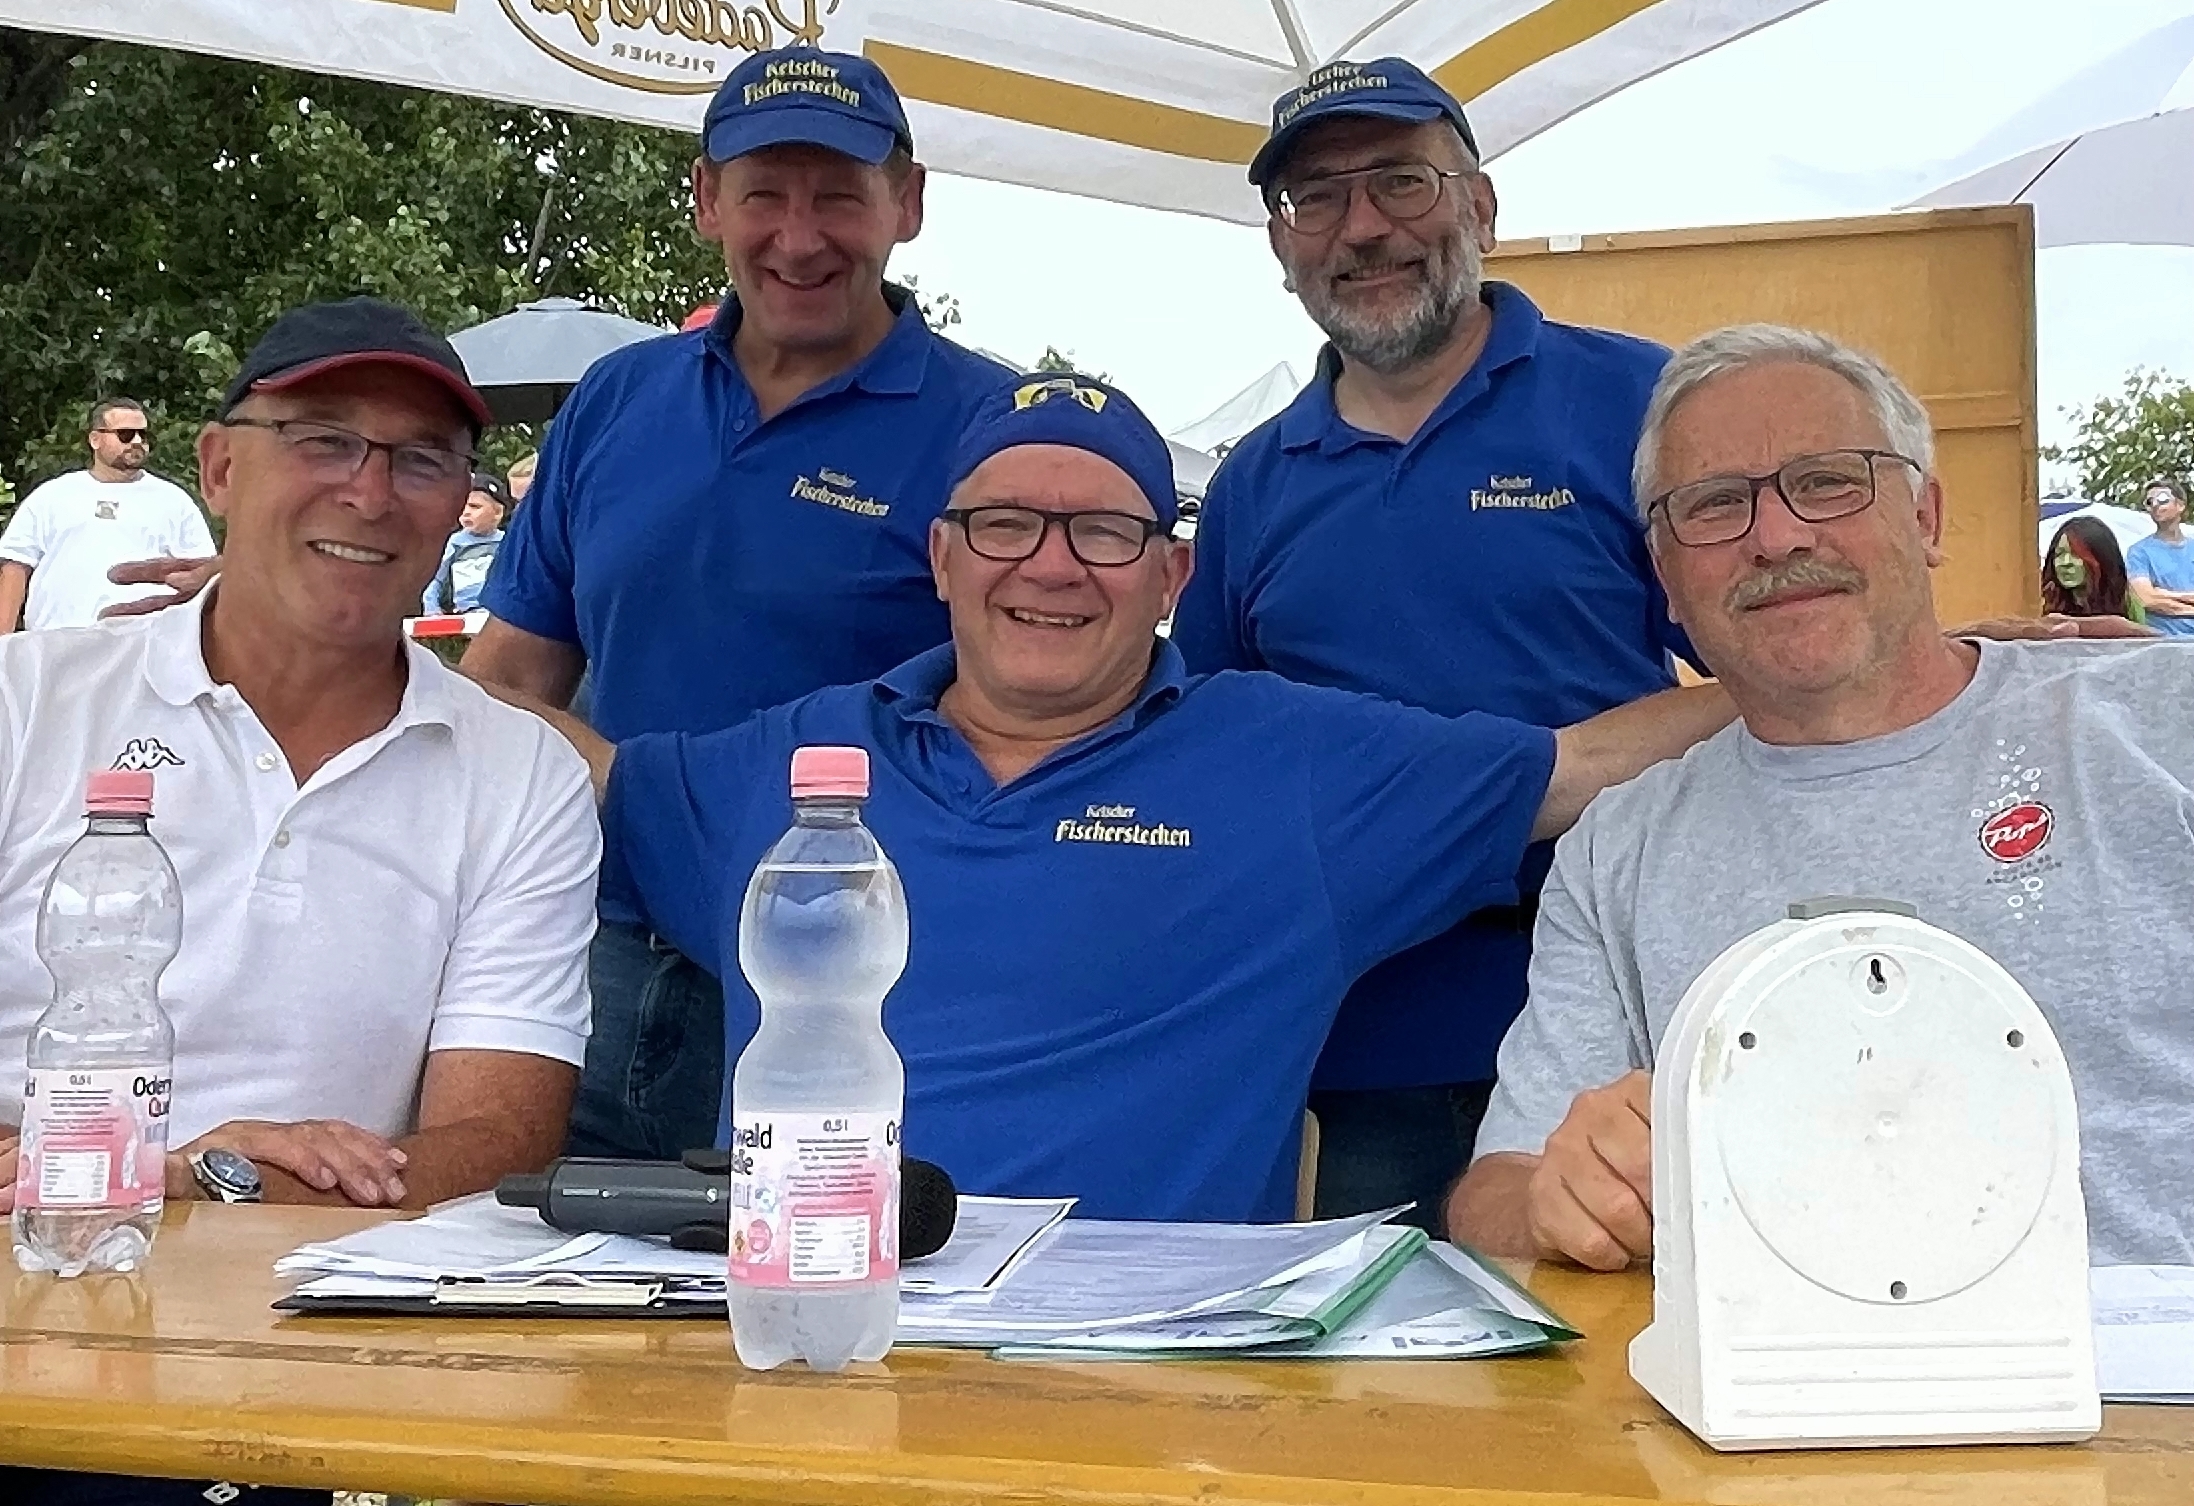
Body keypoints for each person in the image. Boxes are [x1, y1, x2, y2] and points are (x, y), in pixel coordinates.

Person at [502, 374, 1735, 1222]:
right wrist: (391, 651)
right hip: (812, 1335)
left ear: (1169, 575)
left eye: (1100, 531)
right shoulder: (792, 763)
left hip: (1136, 1391)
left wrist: (1840, 665)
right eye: (1004, 525)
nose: (1050, 566)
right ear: (940, 558)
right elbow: (560, 767)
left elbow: (1583, 766)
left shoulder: (1294, 766)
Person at [1446, 324, 2194, 1271]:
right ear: (1665, 579)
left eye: (1828, 481)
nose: (1778, 537)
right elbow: (1494, 1195)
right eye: (1715, 504)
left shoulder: (2159, 725)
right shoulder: (1617, 850)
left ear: (1925, 517)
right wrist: (1562, 1197)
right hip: (1766, 1363)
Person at [458, 48, 1014, 1164]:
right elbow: (507, 680)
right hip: (590, 953)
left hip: (852, 978)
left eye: (839, 197)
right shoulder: (617, 397)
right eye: (764, 194)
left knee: (819, 1269)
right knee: (538, 1272)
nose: (798, 239)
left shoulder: (991, 426)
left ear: (906, 204)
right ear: (708, 200)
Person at [1168, 59, 1691, 1226]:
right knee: (1375, 1337)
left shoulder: (1638, 403)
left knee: (1625, 1329)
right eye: (1316, 197)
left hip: (1621, 1023)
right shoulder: (1252, 485)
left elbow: (1767, 663)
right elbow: (1207, 761)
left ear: (1480, 207)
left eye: (1400, 181)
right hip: (1361, 1046)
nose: (1362, 228)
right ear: (1281, 244)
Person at [0, 398, 216, 632]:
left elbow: (201, 575)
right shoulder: (52, 495)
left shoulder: (174, 500)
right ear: (95, 439)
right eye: (125, 434)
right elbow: (16, 565)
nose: (137, 442)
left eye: (143, 435)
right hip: (56, 640)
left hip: (141, 642)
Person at [423, 471, 509, 614]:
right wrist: (431, 606)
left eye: (475, 506)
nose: (466, 512)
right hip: (464, 612)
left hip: (496, 614)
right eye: (462, 505)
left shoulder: (506, 542)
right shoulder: (455, 542)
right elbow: (438, 579)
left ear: (498, 513)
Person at [2042, 514, 2144, 624]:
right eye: (2059, 554)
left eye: (2076, 554)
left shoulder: (2126, 604)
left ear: (2101, 558)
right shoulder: (2041, 602)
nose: (2066, 562)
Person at [2125, 479, 2194, 636]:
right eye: (2150, 502)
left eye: (2162, 499)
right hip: (2165, 642)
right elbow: (2146, 599)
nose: (2155, 505)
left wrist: (2165, 594)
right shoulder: (2139, 552)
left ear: (2180, 505)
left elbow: (2153, 596)